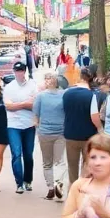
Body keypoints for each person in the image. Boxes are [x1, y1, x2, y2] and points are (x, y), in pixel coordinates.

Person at [61, 66, 101, 187]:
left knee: (72, 166)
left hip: (70, 135)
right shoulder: (91, 96)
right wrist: (100, 129)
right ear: (91, 79)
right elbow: (94, 117)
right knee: (87, 165)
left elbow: (64, 112)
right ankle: (83, 190)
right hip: (88, 136)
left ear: (80, 77)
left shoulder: (67, 94)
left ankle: (72, 192)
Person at [3, 61, 38, 194]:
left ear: (25, 71)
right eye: (17, 71)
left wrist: (17, 104)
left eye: (21, 71)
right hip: (13, 125)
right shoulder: (9, 87)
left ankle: (28, 180)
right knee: (16, 154)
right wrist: (25, 104)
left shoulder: (32, 86)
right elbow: (8, 106)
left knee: (28, 155)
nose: (19, 73)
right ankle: (19, 183)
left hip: (29, 124)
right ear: (14, 72)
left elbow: (34, 104)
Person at [33, 70, 66, 201]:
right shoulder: (63, 95)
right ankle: (58, 182)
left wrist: (38, 128)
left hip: (46, 132)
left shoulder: (40, 96)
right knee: (59, 160)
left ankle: (51, 188)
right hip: (60, 132)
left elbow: (36, 115)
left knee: (47, 163)